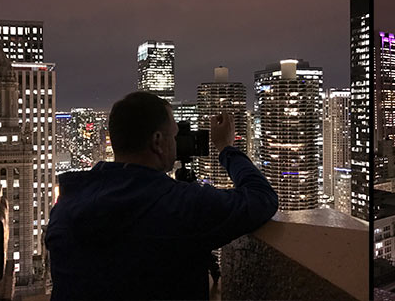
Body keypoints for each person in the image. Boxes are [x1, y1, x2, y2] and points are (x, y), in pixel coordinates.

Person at [45, 91, 279, 300]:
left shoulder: (65, 206)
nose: (177, 144)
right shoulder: (177, 205)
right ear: (157, 141)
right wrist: (226, 148)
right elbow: (262, 198)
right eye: (174, 135)